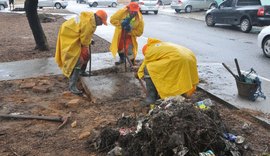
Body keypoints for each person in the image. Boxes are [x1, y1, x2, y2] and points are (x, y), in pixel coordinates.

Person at [55, 10, 108, 95]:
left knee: (87, 56)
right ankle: (72, 86)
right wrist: (86, 44)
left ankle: (81, 72)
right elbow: (84, 40)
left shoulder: (91, 19)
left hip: (74, 33)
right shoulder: (88, 24)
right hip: (69, 35)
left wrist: (89, 41)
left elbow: (84, 33)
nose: (101, 24)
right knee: (77, 61)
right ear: (97, 18)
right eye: (102, 21)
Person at [136, 38, 199, 106]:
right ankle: (183, 94)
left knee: (148, 69)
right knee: (177, 74)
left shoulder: (149, 51)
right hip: (189, 56)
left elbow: (146, 64)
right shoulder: (160, 46)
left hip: (178, 59)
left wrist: (139, 74)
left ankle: (151, 98)